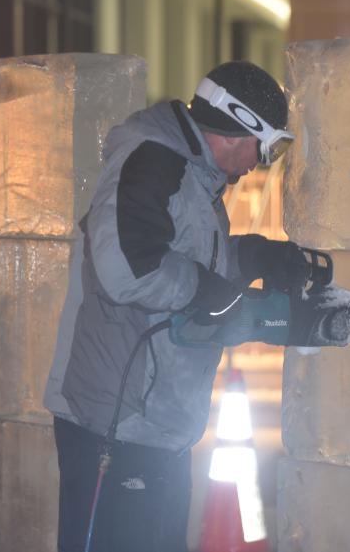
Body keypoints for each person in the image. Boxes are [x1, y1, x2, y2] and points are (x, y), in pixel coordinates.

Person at [43, 61, 308, 552]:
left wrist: (258, 255)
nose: (261, 162)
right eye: (267, 147)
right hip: (114, 425)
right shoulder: (152, 160)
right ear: (239, 127)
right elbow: (130, 267)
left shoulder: (194, 178)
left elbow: (191, 259)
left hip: (158, 426)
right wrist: (211, 292)